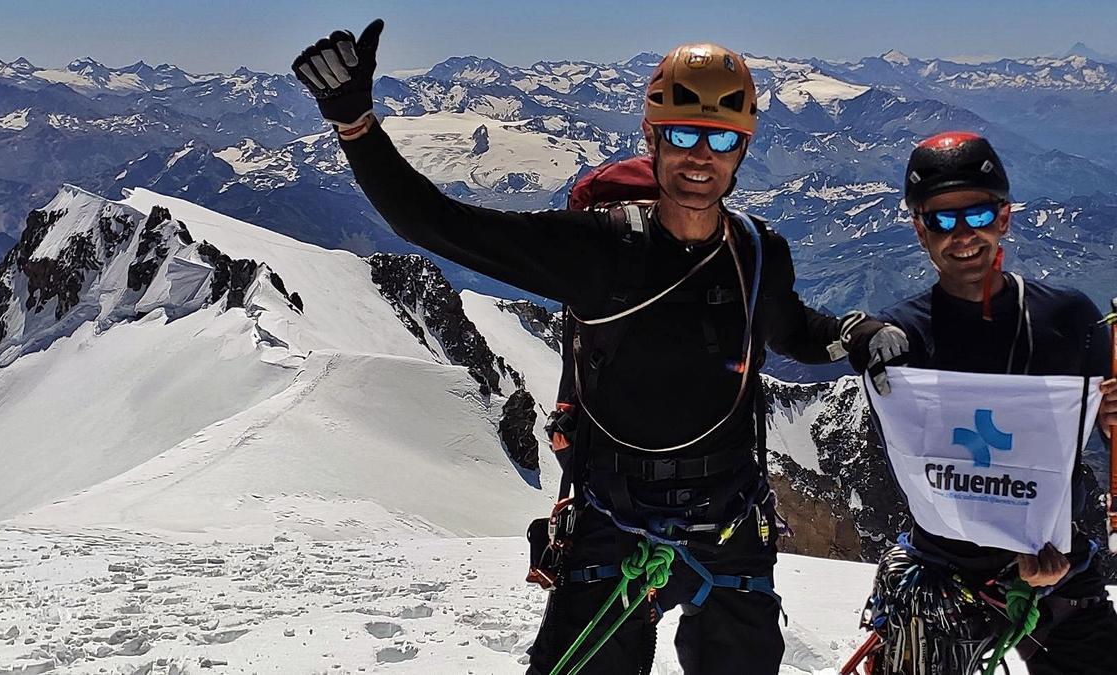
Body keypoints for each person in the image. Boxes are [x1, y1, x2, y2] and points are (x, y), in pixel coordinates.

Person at [291, 21, 895, 674]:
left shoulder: (756, 253)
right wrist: (355, 124)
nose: (700, 156)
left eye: (720, 138)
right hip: (617, 514)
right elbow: (435, 222)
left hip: (725, 518)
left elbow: (794, 330)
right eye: (683, 134)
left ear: (742, 149)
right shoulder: (598, 249)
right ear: (652, 138)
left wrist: (855, 333)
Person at [855, 130, 1117, 675]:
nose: (962, 235)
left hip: (1060, 568)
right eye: (942, 220)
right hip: (944, 573)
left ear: (1004, 217)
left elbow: (1103, 429)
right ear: (920, 229)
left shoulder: (1069, 321)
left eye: (976, 214)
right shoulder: (901, 338)